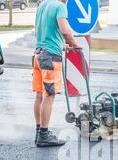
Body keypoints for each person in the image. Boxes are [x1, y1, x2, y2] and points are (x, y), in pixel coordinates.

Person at [33, 0, 81, 147]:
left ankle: (39, 131)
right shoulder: (60, 7)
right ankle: (44, 135)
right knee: (49, 96)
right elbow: (64, 30)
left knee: (40, 95)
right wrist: (75, 44)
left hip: (38, 54)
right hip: (50, 58)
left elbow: (43, 32)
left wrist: (62, 46)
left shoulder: (43, 5)